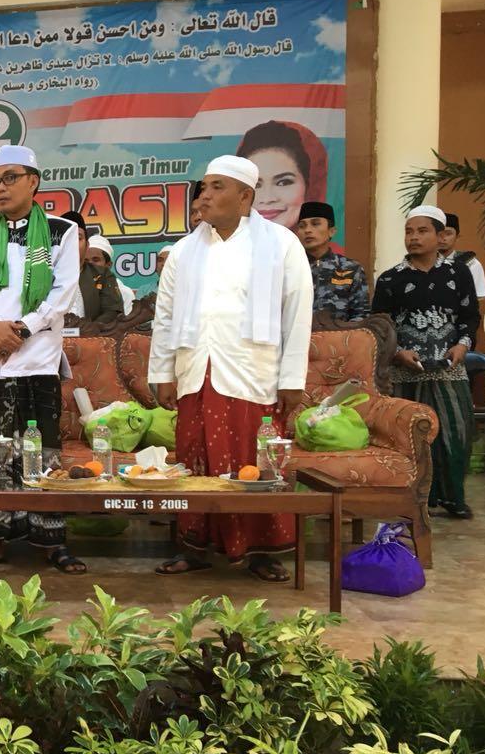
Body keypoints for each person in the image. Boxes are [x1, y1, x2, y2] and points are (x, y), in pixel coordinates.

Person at [148, 155, 312, 582]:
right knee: (194, 458)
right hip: (195, 370)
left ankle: (262, 550)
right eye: (204, 186)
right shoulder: (184, 250)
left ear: (245, 196)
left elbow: (298, 314)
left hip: (253, 372)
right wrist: (161, 371)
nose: (205, 195)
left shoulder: (280, 244)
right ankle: (193, 546)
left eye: (217, 186)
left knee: (252, 461)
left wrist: (293, 377)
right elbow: (163, 317)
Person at [0, 144, 83, 574]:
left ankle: (50, 540)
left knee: (43, 448)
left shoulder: (61, 232)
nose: (0, 187)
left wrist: (21, 330)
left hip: (38, 356)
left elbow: (61, 292)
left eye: (10, 178)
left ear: (34, 181)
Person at [372, 205, 478, 519]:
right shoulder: (391, 278)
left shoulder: (458, 273)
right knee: (405, 435)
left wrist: (462, 344)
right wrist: (398, 351)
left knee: (454, 432)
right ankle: (412, 498)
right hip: (405, 371)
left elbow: (469, 316)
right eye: (409, 231)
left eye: (422, 231)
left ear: (439, 235)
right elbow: (381, 324)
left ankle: (452, 498)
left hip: (449, 368)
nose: (414, 238)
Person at [236, 120, 328, 233]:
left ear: (311, 186)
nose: (267, 198)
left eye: (283, 182)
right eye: (256, 184)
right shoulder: (225, 249)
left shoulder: (336, 251)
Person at [296, 201, 369, 321]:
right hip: (297, 338)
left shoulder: (350, 268)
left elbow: (361, 315)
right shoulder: (290, 268)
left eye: (315, 224)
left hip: (340, 337)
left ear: (332, 231)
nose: (307, 230)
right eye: (302, 226)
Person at [66, 214, 121, 326]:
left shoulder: (102, 274)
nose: (72, 243)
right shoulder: (41, 275)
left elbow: (113, 311)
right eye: (66, 237)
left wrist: (89, 330)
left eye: (78, 238)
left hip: (91, 339)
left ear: (87, 246)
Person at [86, 233, 135, 316]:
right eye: (86, 261)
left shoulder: (124, 293)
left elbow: (127, 324)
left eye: (96, 260)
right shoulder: (74, 289)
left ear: (108, 265)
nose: (90, 264)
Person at [440, 213, 485, 300]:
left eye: (448, 234)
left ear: (457, 237)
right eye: (439, 233)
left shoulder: (471, 264)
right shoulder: (419, 263)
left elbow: (473, 301)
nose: (443, 238)